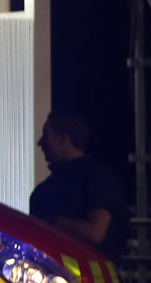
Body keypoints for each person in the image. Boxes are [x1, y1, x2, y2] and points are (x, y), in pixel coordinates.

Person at [29, 111, 126, 261]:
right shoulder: (45, 189)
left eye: (46, 135)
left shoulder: (98, 179)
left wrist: (53, 221)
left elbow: (95, 233)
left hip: (90, 278)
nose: (40, 143)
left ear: (63, 138)